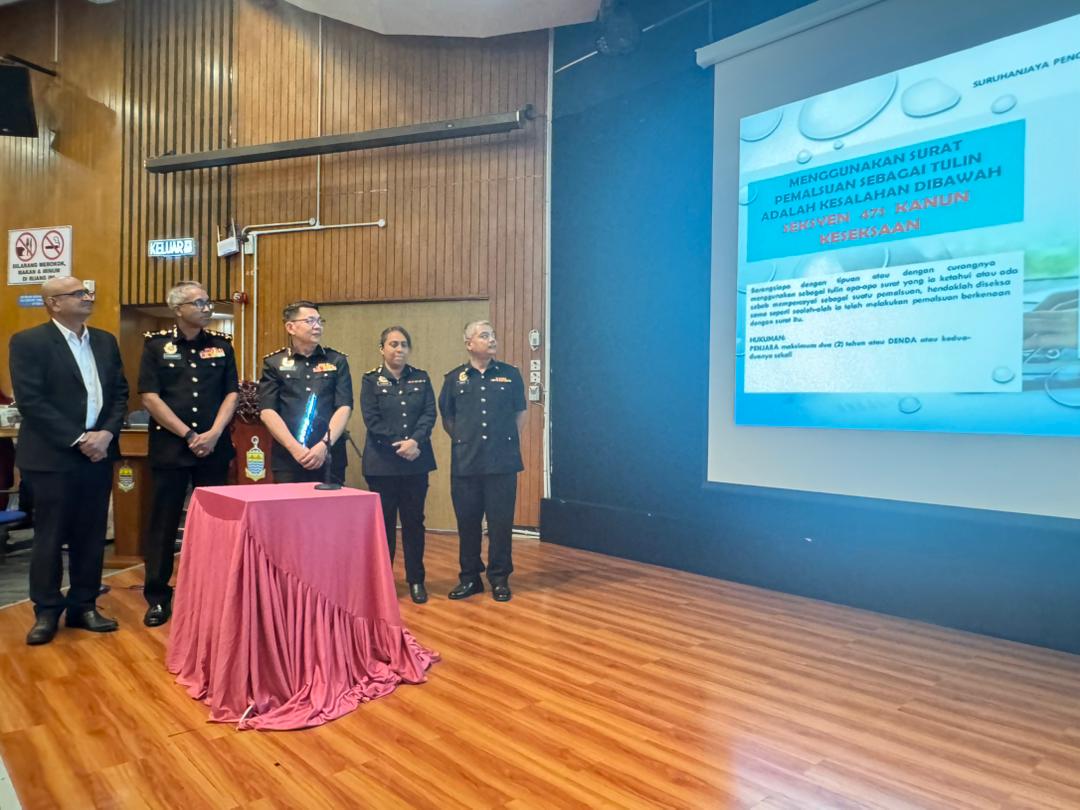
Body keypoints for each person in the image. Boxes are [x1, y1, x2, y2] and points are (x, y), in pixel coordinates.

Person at [8, 276, 129, 645]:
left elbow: (119, 393)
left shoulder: (105, 341)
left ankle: (83, 606)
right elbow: (31, 401)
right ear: (53, 303)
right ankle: (46, 611)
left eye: (87, 292)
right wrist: (79, 439)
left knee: (90, 535)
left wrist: (105, 434)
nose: (87, 297)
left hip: (98, 453)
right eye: (78, 293)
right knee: (50, 536)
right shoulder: (29, 342)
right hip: (52, 457)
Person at [137, 281, 238, 627]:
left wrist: (213, 434)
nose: (206, 308)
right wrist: (189, 435)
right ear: (178, 309)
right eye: (198, 303)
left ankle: (214, 592)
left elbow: (231, 394)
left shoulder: (222, 345)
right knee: (163, 523)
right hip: (171, 447)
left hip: (213, 447)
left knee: (216, 524)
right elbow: (149, 397)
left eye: (208, 302)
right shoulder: (156, 345)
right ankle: (157, 597)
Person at [438, 320, 527, 602]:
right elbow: (447, 417)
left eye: (493, 335)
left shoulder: (510, 375)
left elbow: (520, 414)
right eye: (485, 336)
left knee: (500, 524)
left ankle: (499, 578)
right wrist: (466, 440)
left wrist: (504, 441)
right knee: (468, 524)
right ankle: (470, 578)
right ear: (469, 344)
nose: (492, 340)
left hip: (502, 462)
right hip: (466, 462)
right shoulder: (454, 378)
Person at [360, 326, 437, 603]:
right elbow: (372, 419)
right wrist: (399, 444)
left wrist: (414, 441)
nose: (399, 349)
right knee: (384, 525)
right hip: (382, 464)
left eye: (404, 344)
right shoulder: (370, 380)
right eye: (393, 344)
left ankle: (416, 580)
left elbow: (429, 414)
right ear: (382, 349)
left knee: (414, 523)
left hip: (416, 462)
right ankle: (384, 583)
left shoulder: (421, 377)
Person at [258, 300, 352, 483]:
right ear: (290, 327)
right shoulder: (274, 363)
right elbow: (268, 411)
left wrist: (324, 445)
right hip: (288, 457)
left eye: (319, 321)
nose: (317, 326)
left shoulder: (336, 361)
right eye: (310, 321)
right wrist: (295, 448)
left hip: (329, 454)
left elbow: (344, 407)